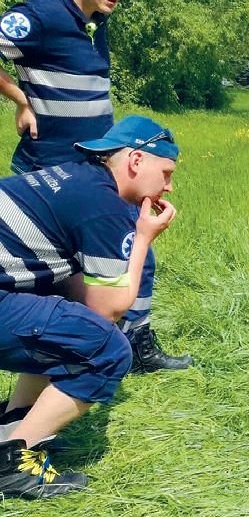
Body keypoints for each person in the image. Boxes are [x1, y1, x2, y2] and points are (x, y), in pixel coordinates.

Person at [0, 0, 191, 373]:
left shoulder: (94, 22)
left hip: (98, 167)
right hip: (54, 168)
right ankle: (80, 352)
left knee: (131, 252)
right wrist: (20, 100)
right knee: (57, 272)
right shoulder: (42, 15)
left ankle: (127, 341)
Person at [0, 114, 178, 498]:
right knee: (109, 349)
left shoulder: (74, 177)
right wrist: (144, 238)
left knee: (65, 320)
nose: (168, 186)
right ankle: (10, 464)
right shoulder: (105, 206)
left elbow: (77, 296)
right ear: (135, 162)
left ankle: (14, 423)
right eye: (165, 173)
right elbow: (108, 310)